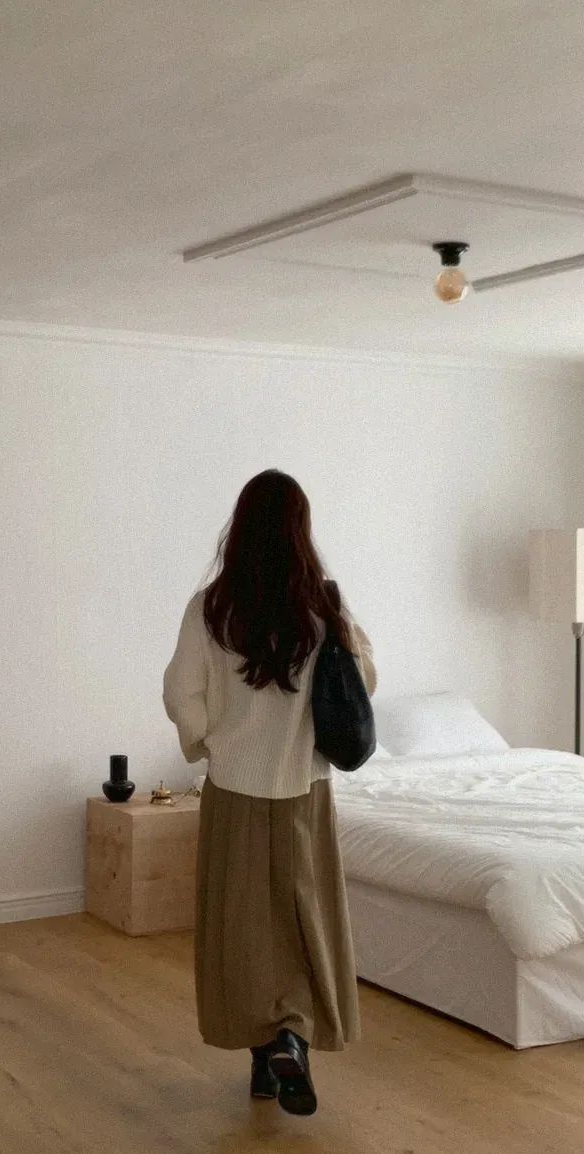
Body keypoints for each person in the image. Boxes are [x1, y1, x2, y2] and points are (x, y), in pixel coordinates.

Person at [163, 470, 376, 1117]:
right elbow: (365, 678)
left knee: (243, 926)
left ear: (241, 527)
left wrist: (209, 743)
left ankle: (264, 1054)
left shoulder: (211, 609)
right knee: (304, 920)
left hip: (234, 790)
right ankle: (291, 1038)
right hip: (304, 789)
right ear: (300, 530)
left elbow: (180, 693)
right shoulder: (323, 609)